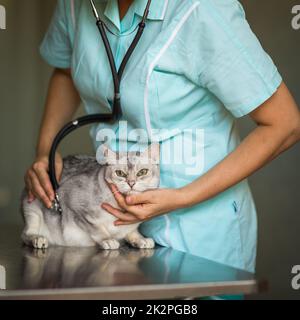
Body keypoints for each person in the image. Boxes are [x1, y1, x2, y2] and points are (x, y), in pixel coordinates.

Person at [25, 0, 300, 277]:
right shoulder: (74, 5)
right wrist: (45, 152)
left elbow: (285, 124)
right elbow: (66, 70)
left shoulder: (204, 9)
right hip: (111, 231)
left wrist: (182, 197)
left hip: (197, 238)